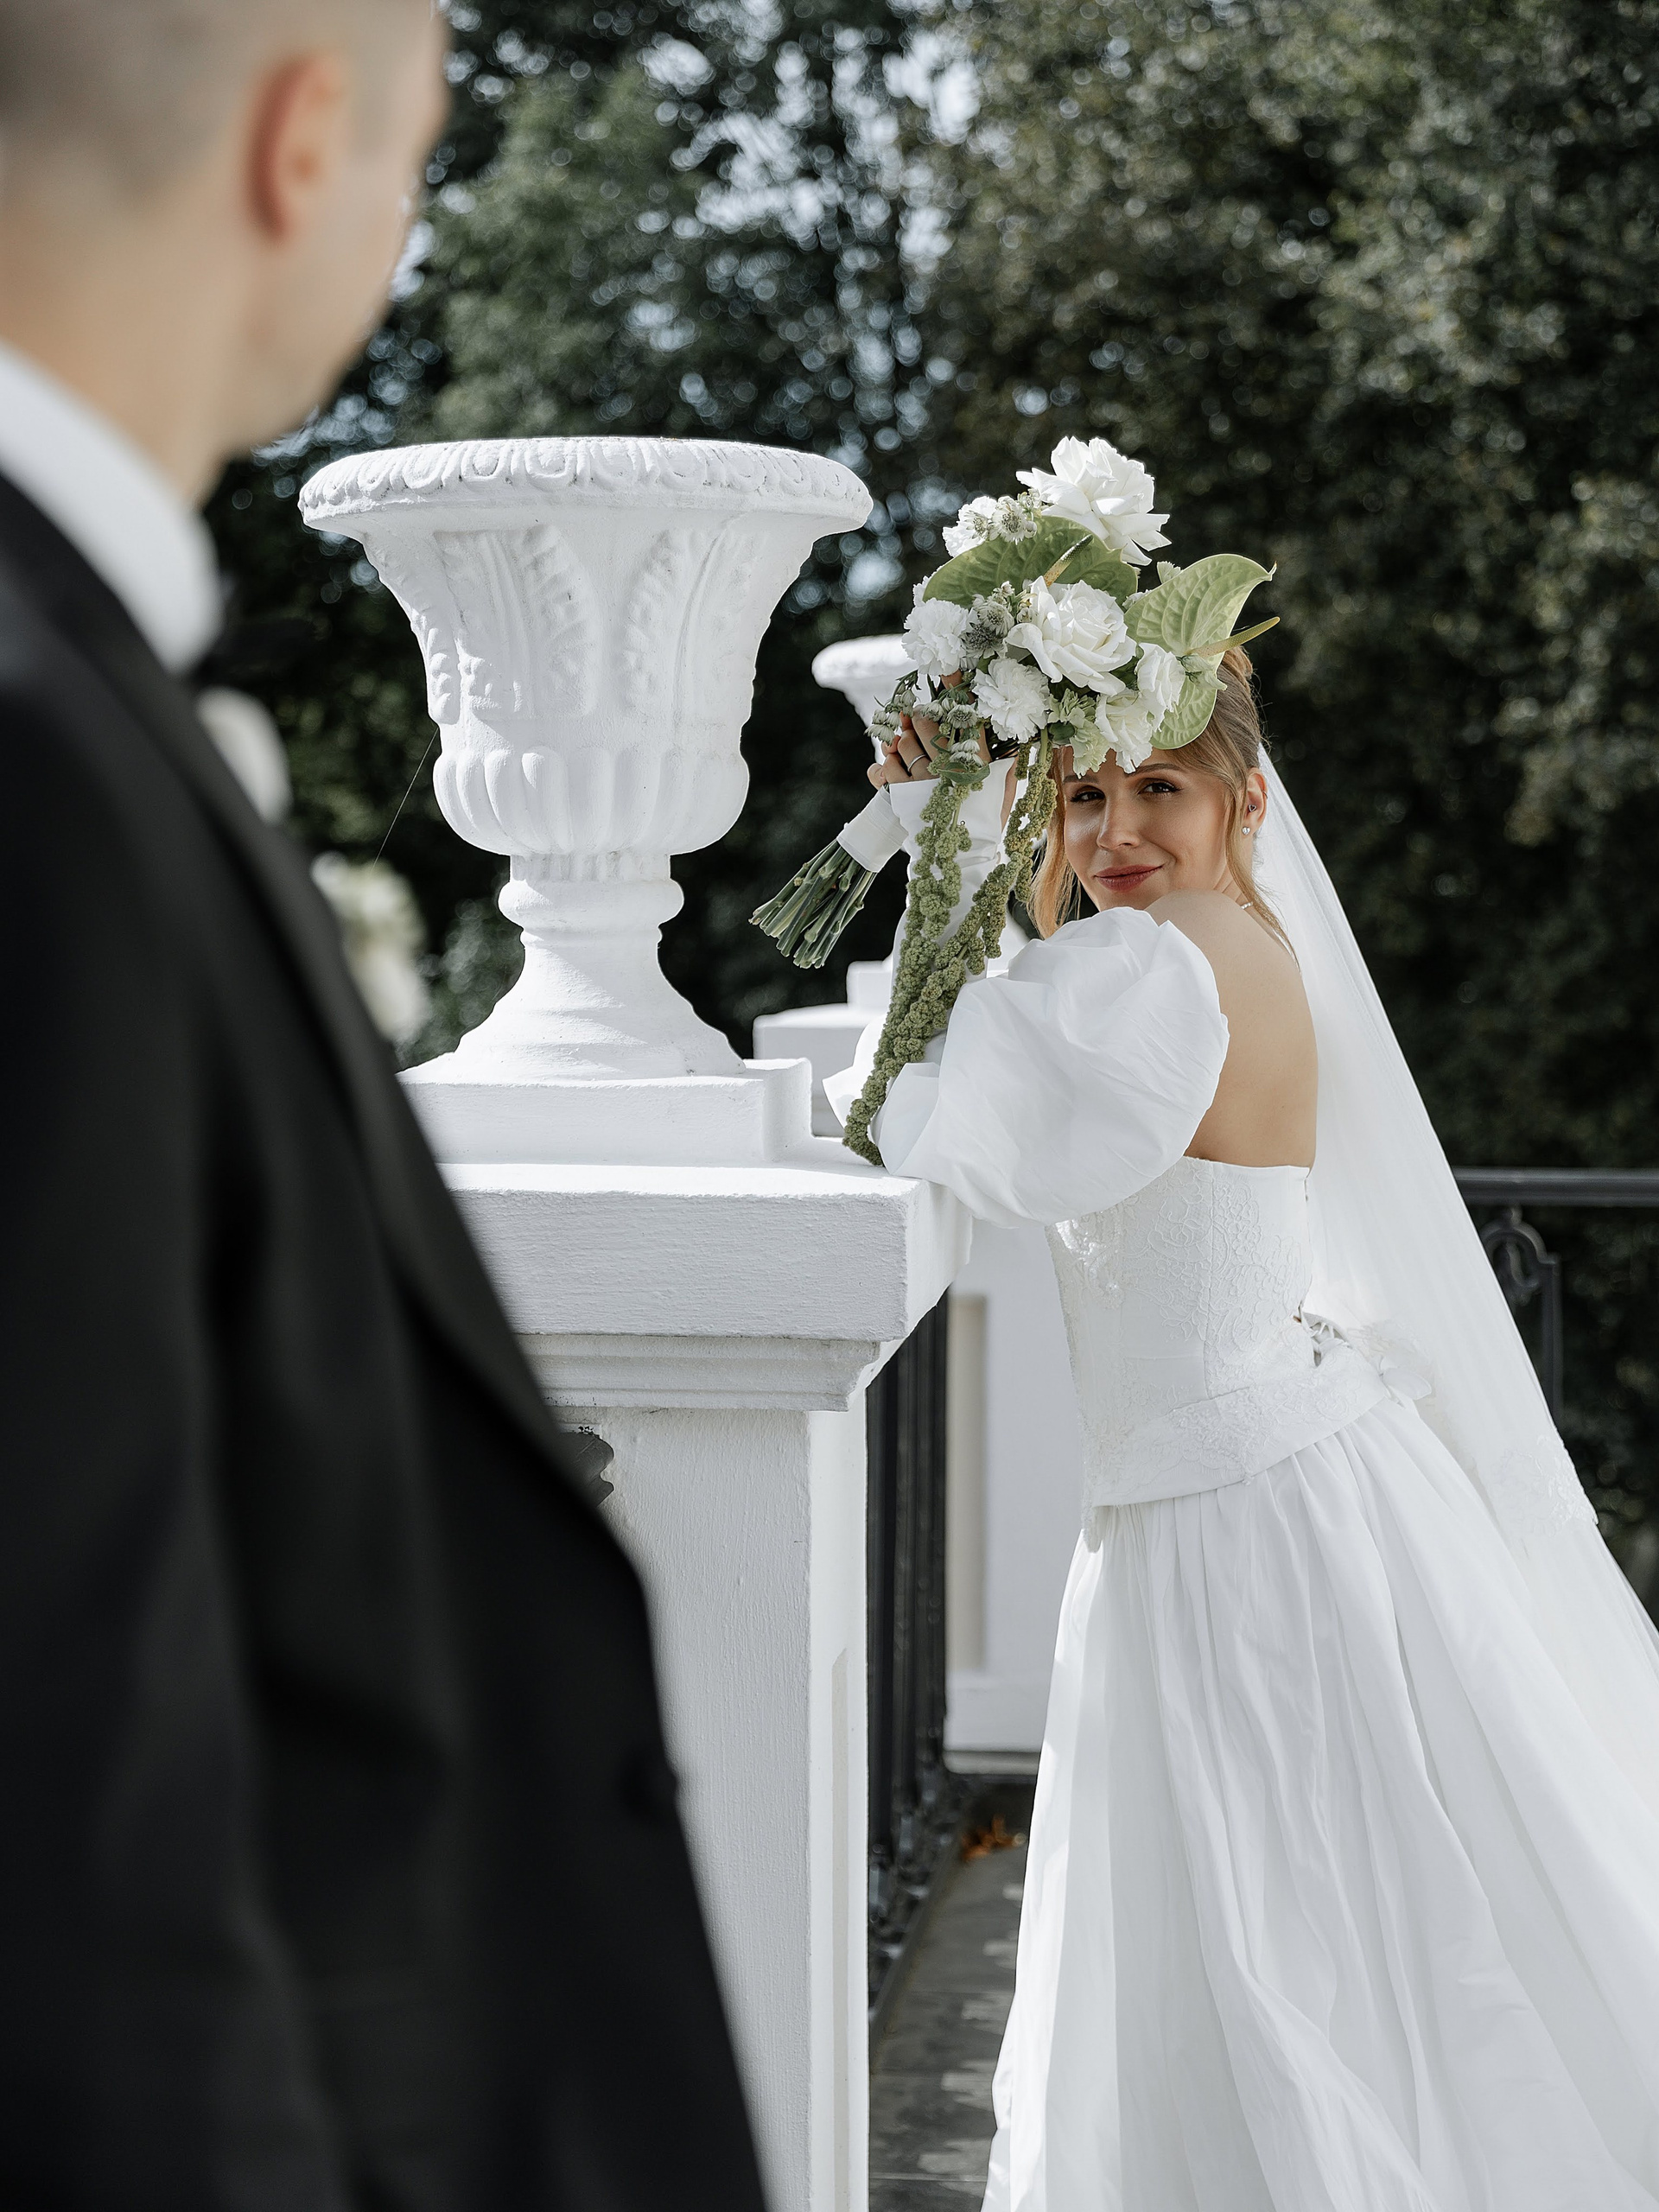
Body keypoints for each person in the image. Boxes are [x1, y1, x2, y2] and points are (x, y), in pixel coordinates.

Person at [0, 7, 767, 2209]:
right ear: (301, 136)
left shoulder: (83, 696)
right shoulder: (30, 762)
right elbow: (76, 1838)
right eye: (422, 154)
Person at [842, 653, 1659, 2210]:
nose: (1115, 829)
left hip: (1235, 1528)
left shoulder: (1167, 962)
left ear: (1247, 799)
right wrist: (962, 827)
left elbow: (923, 1103)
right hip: (1267, 1478)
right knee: (1341, 1928)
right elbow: (1022, 1046)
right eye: (1083, 794)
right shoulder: (1224, 943)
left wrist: (942, 835)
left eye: (1161, 787)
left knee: (1282, 1937)